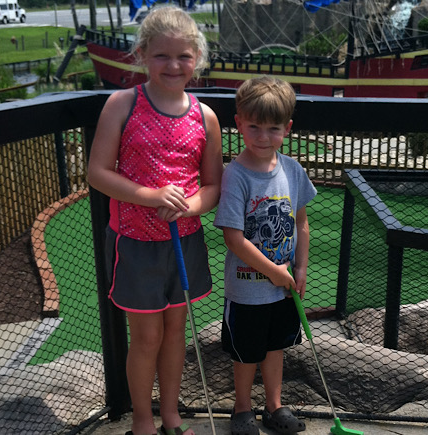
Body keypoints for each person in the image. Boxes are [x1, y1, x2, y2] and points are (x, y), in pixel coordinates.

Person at [87, 6, 223, 435]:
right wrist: (150, 196)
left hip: (183, 239)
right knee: (146, 338)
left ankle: (170, 414)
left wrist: (192, 206)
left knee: (175, 335)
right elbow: (98, 172)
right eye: (162, 56)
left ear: (197, 58)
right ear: (143, 54)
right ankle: (142, 420)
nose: (174, 65)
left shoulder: (205, 117)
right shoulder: (122, 104)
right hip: (135, 241)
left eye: (184, 56)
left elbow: (212, 186)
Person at [213, 76, 317, 435]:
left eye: (273, 129)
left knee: (276, 348)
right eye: (253, 126)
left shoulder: (292, 170)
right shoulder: (236, 176)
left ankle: (274, 405)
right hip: (247, 289)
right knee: (246, 353)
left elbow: (301, 223)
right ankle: (242, 408)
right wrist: (273, 270)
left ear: (287, 128)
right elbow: (233, 238)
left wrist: (300, 267)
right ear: (239, 122)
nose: (262, 136)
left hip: (284, 288)